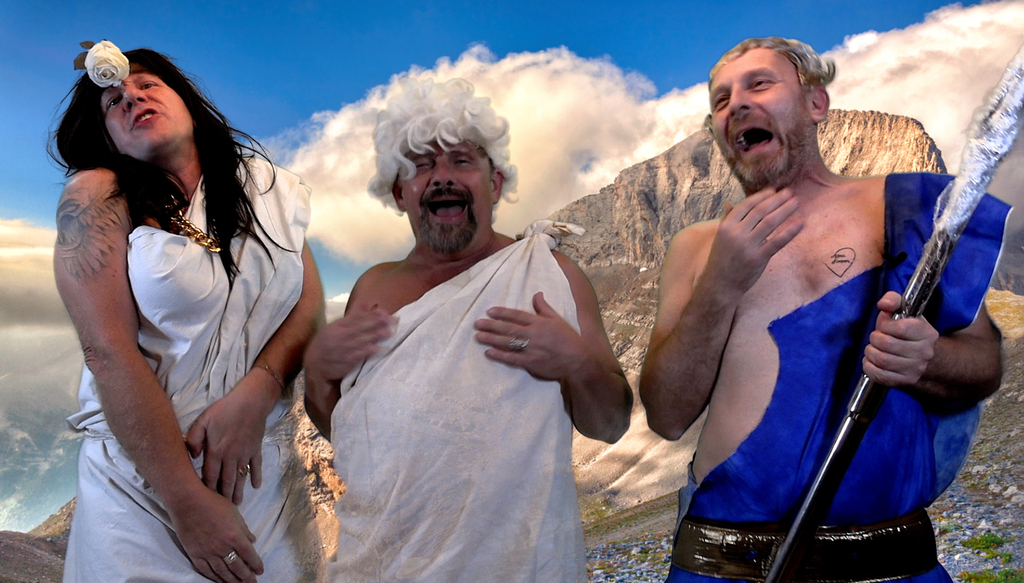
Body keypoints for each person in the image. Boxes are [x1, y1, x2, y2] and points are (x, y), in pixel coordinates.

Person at [639, 37, 1010, 582]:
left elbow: (985, 365)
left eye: (760, 83)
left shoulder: (909, 208)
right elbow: (667, 416)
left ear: (816, 103)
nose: (736, 104)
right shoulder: (696, 248)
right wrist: (720, 284)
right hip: (721, 564)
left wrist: (929, 359)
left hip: (889, 566)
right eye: (720, 100)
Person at [303, 77, 632, 582]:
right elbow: (351, 437)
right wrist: (319, 378)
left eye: (461, 160)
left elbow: (610, 425)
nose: (442, 177)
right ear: (400, 192)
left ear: (494, 183)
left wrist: (577, 362)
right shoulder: (371, 289)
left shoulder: (551, 275)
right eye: (421, 165)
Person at [52, 41, 324, 582]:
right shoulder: (97, 197)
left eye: (147, 84)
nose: (131, 97)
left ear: (187, 102)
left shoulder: (264, 187)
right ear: (107, 137)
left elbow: (309, 307)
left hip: (261, 468)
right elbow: (107, 351)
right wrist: (185, 502)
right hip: (145, 487)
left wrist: (257, 394)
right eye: (113, 102)